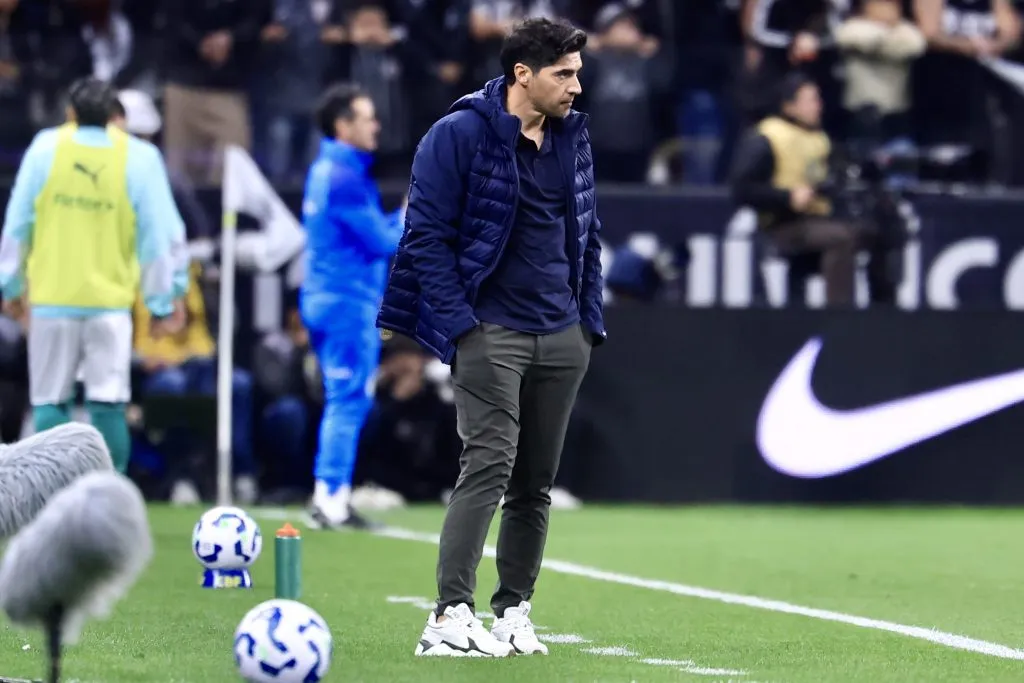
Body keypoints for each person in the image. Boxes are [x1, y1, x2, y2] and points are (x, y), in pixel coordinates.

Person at [376, 18, 606, 657]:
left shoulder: (572, 138)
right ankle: (449, 616)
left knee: (535, 483)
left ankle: (512, 612)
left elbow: (588, 232)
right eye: (564, 74)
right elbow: (424, 237)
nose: (576, 87)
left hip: (562, 334)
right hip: (491, 332)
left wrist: (587, 323)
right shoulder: (456, 136)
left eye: (578, 73)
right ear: (522, 75)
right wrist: (461, 328)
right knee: (488, 466)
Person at [0, 77, 181, 473]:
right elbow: (159, 235)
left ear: (70, 113)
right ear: (116, 117)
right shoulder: (139, 157)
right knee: (108, 401)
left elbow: (17, 222)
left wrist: (9, 284)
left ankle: (49, 498)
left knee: (50, 400)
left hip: (51, 299)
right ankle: (109, 494)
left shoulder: (45, 148)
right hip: (109, 305)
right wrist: (162, 300)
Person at [300, 83, 405, 530]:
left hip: (328, 297)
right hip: (346, 302)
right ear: (343, 125)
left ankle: (330, 495)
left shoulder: (329, 169)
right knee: (349, 400)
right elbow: (383, 242)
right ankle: (331, 501)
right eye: (366, 117)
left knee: (344, 400)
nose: (375, 125)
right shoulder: (343, 175)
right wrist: (412, 214)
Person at [729, 73, 898, 306]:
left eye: (818, 99)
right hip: (782, 225)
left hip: (821, 218)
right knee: (841, 238)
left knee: (879, 230)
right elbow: (741, 189)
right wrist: (787, 197)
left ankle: (884, 310)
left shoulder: (819, 137)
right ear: (789, 106)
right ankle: (839, 315)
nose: (819, 106)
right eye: (811, 100)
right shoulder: (767, 137)